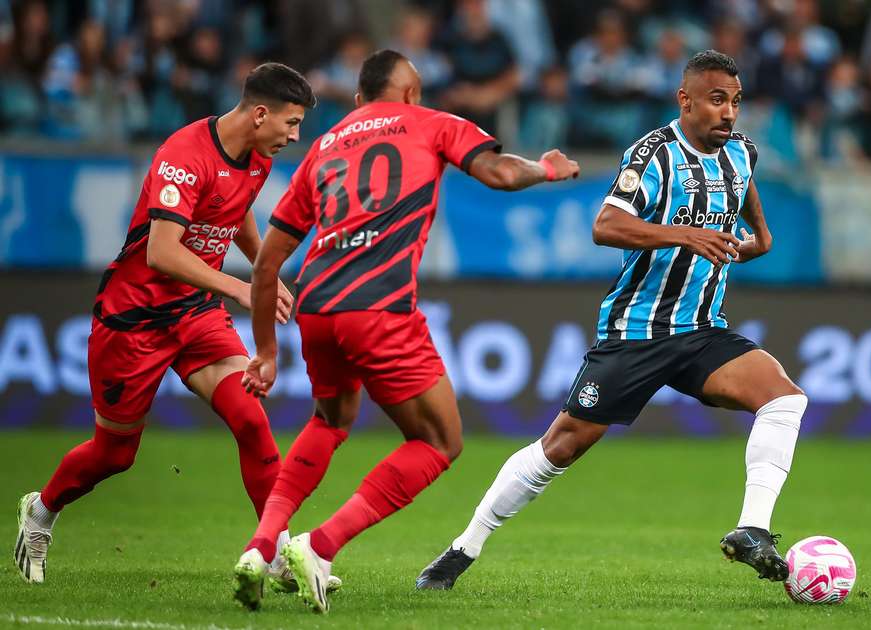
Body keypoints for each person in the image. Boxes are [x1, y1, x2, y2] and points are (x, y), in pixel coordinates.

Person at [415, 50, 809, 591]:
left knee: (785, 399)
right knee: (561, 447)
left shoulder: (741, 153)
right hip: (636, 333)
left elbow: (751, 215)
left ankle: (752, 530)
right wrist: (684, 235)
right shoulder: (653, 154)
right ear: (685, 99)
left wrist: (751, 242)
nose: (729, 114)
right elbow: (606, 225)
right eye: (717, 100)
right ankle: (462, 550)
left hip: (699, 330)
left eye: (736, 102)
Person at [231, 49, 579, 614]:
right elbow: (499, 172)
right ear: (412, 94)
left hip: (318, 306)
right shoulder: (433, 122)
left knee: (329, 420)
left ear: (360, 98)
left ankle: (261, 544)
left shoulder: (323, 145)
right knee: (440, 441)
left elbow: (266, 264)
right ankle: (319, 548)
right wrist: (548, 168)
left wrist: (265, 353)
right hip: (380, 305)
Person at [13, 63, 314, 587]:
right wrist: (241, 288)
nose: (294, 136)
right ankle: (40, 511)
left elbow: (234, 208)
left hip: (195, 313)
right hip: (134, 320)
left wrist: (265, 268)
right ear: (260, 113)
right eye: (291, 124)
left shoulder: (257, 156)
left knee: (250, 418)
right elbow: (161, 252)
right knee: (115, 454)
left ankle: (275, 553)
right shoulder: (183, 155)